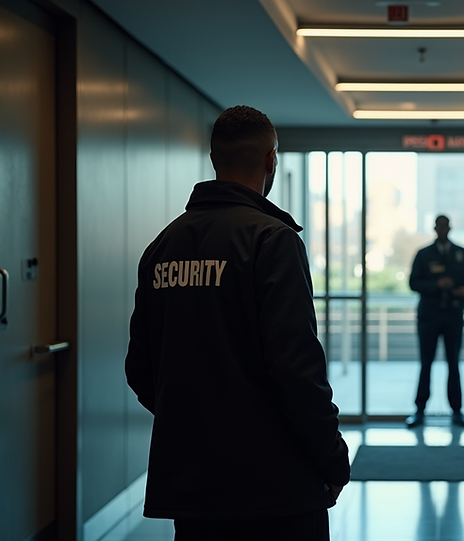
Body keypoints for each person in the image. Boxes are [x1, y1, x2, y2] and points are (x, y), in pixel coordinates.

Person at [125, 105, 348, 540]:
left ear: (214, 159)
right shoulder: (271, 239)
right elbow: (297, 368)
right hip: (275, 488)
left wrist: (199, 422)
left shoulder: (163, 246)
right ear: (271, 161)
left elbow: (140, 369)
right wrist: (331, 458)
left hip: (193, 488)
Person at [406, 215, 464, 428]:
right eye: (439, 226)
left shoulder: (462, 254)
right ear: (434, 228)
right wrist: (436, 284)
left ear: (450, 228)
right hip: (429, 317)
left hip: (453, 316)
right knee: (426, 364)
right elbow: (413, 283)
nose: (442, 229)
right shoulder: (424, 254)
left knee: (454, 364)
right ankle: (419, 411)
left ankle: (457, 412)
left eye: (445, 226)